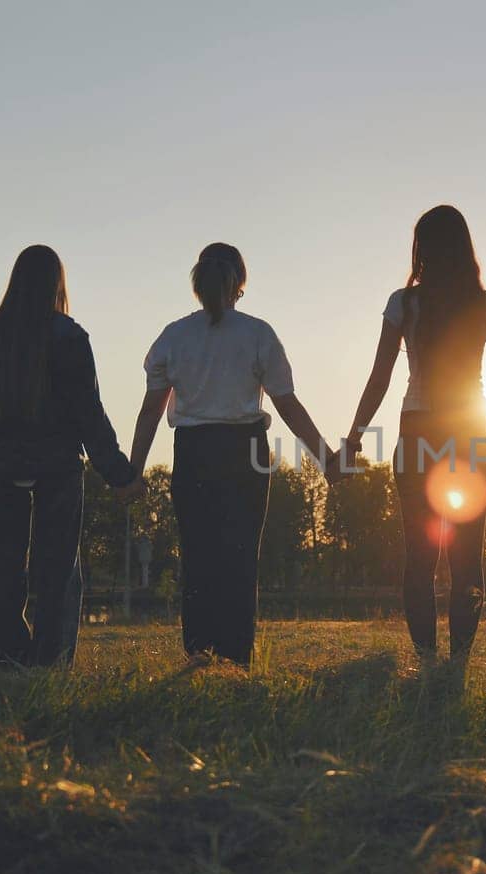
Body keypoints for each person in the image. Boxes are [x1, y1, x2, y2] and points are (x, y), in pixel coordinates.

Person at [343, 205, 486, 666]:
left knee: (419, 557)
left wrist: (354, 437)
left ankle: (426, 661)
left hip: (417, 432)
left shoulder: (404, 302)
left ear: (420, 249)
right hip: (472, 435)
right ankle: (456, 663)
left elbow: (380, 376)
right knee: (466, 559)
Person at [0, 245, 142, 669]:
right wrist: (119, 474)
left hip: (1, 464)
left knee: (6, 567)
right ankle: (51, 658)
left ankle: (10, 656)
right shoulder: (69, 336)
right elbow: (89, 414)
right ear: (57, 284)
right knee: (59, 569)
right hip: (57, 465)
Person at [129, 243, 334, 668]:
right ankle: (236, 658)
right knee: (240, 556)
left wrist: (134, 469)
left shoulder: (174, 337)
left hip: (194, 451)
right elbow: (287, 405)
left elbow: (151, 412)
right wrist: (326, 459)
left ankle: (199, 654)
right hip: (246, 451)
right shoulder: (258, 333)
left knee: (198, 556)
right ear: (239, 283)